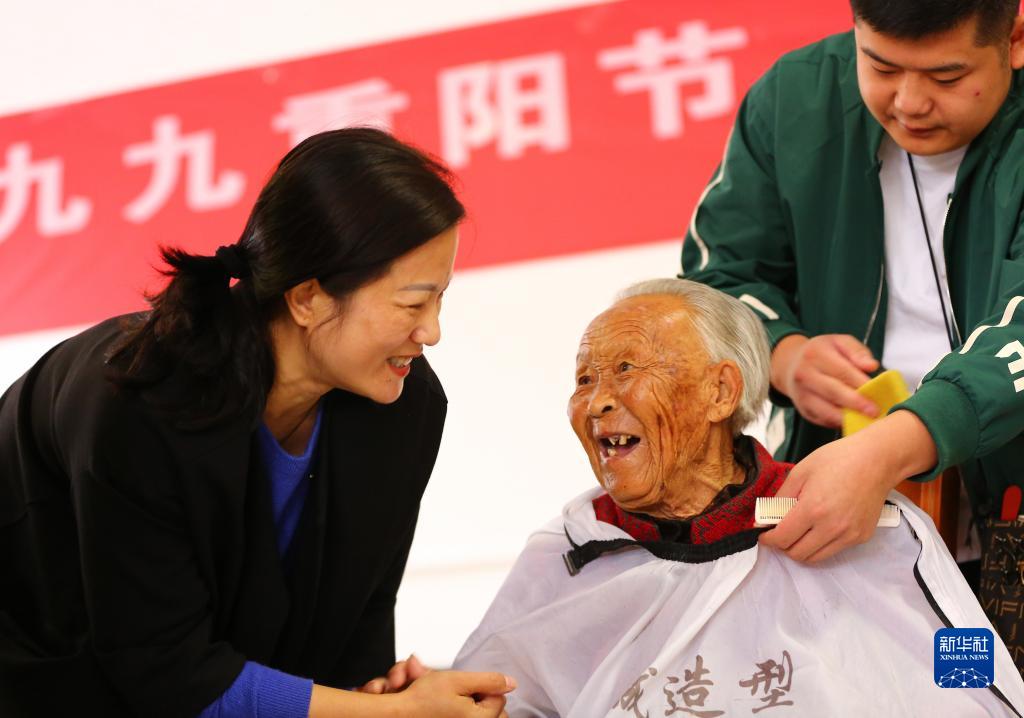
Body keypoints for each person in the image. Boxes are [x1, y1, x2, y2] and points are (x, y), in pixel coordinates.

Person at [0, 128, 514, 717]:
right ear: (308, 298)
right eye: (412, 303)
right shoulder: (135, 400)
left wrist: (371, 694)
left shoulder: (405, 408)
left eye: (440, 299)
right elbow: (162, 669)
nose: (432, 332)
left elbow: (361, 618)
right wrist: (395, 714)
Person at [454, 279, 1024, 717]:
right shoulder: (566, 556)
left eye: (626, 370)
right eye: (584, 380)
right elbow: (490, 699)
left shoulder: (854, 521)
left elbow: (973, 680)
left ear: (720, 391)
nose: (598, 402)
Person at [681, 0, 1024, 642]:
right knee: (891, 683)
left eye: (946, 76)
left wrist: (887, 450)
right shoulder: (793, 98)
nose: (909, 103)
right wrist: (784, 355)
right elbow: (720, 276)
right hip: (852, 521)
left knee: (986, 682)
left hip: (1001, 514)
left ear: (1015, 37)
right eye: (881, 67)